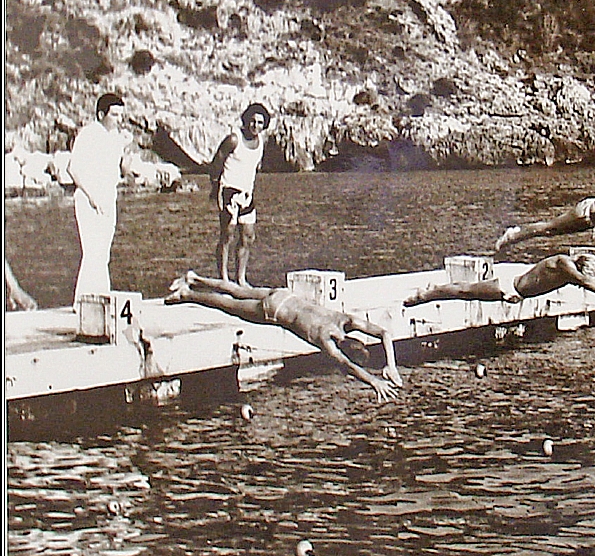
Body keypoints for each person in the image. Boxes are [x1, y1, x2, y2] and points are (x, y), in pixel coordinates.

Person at [165, 271, 403, 402]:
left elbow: (384, 333)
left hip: (283, 296)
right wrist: (374, 382)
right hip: (275, 311)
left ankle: (196, 278)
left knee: (238, 289)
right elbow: (348, 366)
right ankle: (189, 294)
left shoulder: (345, 321)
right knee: (228, 305)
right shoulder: (326, 341)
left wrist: (391, 364)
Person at [67, 93, 146, 303]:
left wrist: (128, 149)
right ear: (102, 114)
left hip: (109, 196)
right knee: (93, 251)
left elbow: (123, 169)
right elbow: (73, 169)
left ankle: (98, 299)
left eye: (121, 115)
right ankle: (85, 301)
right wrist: (92, 197)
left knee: (103, 253)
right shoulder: (89, 134)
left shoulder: (115, 138)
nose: (119, 119)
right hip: (88, 198)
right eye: (115, 115)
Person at [403, 252, 595, 319]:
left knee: (467, 291)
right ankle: (426, 294)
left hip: (519, 290)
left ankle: (431, 291)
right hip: (510, 286)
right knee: (464, 292)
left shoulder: (574, 269)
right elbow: (587, 282)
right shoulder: (564, 264)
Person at [208, 103, 270, 285]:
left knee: (248, 236)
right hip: (228, 190)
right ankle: (224, 278)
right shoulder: (234, 139)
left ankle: (241, 278)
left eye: (260, 122)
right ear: (246, 120)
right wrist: (214, 188)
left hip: (246, 194)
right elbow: (216, 162)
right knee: (227, 234)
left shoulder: (260, 143)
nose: (255, 125)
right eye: (253, 121)